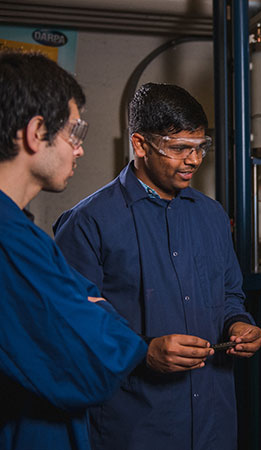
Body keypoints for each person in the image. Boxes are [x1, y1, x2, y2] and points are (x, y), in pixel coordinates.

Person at [53, 83, 261, 450]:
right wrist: (143, 352)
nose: (194, 161)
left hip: (214, 424)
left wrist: (239, 323)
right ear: (140, 145)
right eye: (179, 148)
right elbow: (68, 327)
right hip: (135, 427)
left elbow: (230, 293)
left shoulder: (212, 215)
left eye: (200, 148)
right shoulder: (88, 223)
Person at [0, 52, 147, 449]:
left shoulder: (23, 235)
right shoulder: (10, 242)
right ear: (35, 132)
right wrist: (93, 305)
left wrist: (85, 306)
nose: (79, 150)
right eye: (74, 134)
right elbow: (102, 358)